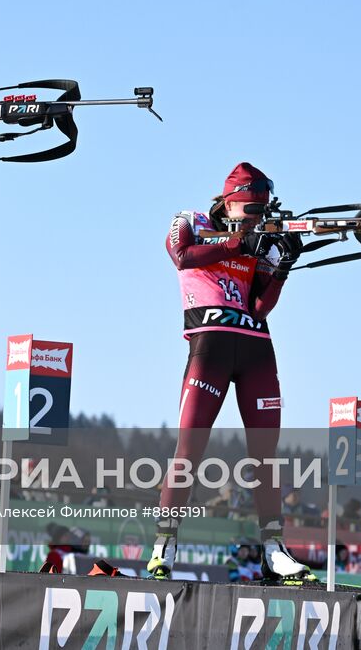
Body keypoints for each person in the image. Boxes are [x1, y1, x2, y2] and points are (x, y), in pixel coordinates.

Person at [146, 163, 314, 583]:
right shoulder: (191, 220)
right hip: (210, 347)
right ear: (231, 201)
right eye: (252, 208)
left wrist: (280, 268)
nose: (259, 216)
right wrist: (240, 242)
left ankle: (273, 550)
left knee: (265, 457)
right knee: (190, 449)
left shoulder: (258, 236)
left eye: (263, 210)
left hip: (256, 347)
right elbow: (182, 255)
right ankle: (164, 543)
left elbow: (259, 306)